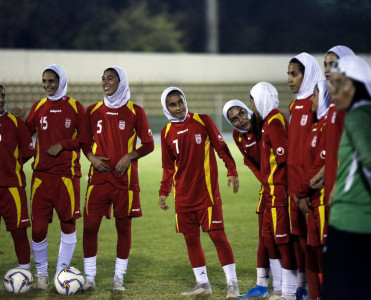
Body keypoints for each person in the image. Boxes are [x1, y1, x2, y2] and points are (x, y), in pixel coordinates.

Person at [159, 87, 240, 298]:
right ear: (166, 108)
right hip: (183, 197)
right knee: (191, 240)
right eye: (173, 104)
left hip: (207, 195)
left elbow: (222, 148)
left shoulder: (202, 121)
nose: (179, 107)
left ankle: (232, 283)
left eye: (180, 102)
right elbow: (168, 167)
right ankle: (203, 284)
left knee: (218, 237)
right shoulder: (166, 132)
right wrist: (164, 190)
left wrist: (231, 170)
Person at [82, 67, 154, 292]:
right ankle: (90, 277)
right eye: (103, 78)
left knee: (124, 228)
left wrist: (130, 156)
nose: (105, 81)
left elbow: (149, 144)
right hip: (98, 178)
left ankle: (118, 277)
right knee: (90, 227)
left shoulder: (135, 111)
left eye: (110, 78)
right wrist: (92, 158)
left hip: (125, 180)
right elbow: (84, 141)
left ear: (121, 81)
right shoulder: (92, 110)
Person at [25, 64, 86, 289]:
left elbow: (86, 139)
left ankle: (61, 272)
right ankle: (41, 273)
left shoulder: (76, 108)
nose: (47, 85)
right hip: (41, 176)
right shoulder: (39, 106)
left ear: (61, 81)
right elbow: (25, 134)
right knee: (38, 227)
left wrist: (64, 144)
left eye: (51, 81)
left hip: (67, 176)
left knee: (68, 225)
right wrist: (16, 123)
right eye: (44, 81)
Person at [322, 56, 371, 300]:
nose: (333, 91)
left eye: (340, 84)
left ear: (357, 86)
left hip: (351, 223)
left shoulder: (358, 116)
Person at [223, 99, 281, 299]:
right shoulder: (237, 137)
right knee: (265, 236)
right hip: (268, 187)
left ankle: (295, 285)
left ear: (248, 110)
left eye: (242, 113)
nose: (240, 119)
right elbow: (250, 163)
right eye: (234, 119)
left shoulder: (264, 124)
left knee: (288, 236)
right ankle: (262, 285)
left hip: (284, 184)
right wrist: (265, 183)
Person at [250, 82, 297, 300]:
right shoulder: (268, 122)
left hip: (279, 192)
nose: (252, 105)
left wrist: (287, 190)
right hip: (269, 192)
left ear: (261, 99)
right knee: (269, 239)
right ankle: (278, 288)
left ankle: (289, 291)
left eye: (253, 100)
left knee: (283, 241)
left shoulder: (275, 122)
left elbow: (285, 160)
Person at [286, 52, 324, 300]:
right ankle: (305, 288)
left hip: (309, 190)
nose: (289, 79)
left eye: (294, 74)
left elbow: (314, 152)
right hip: (295, 187)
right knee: (300, 240)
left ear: (307, 74)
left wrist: (303, 192)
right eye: (288, 74)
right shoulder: (294, 104)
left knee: (316, 247)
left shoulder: (317, 103)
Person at [295, 80, 331, 299]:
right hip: (311, 201)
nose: (312, 100)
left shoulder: (329, 127)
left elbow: (318, 167)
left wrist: (299, 192)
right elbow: (307, 165)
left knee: (325, 255)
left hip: (321, 201)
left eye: (316, 94)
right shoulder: (317, 126)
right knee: (313, 254)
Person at [310, 46, 355, 204]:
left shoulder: (352, 103)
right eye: (326, 64)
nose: (328, 69)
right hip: (333, 183)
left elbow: (354, 151)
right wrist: (323, 172)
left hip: (347, 188)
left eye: (333, 64)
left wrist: (338, 185)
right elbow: (335, 147)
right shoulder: (334, 104)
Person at [0, 84, 34, 271]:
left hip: (13, 186)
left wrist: (12, 167)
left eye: (3, 95)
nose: (1, 99)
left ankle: (25, 272)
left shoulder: (14, 122)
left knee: (19, 231)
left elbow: (28, 152)